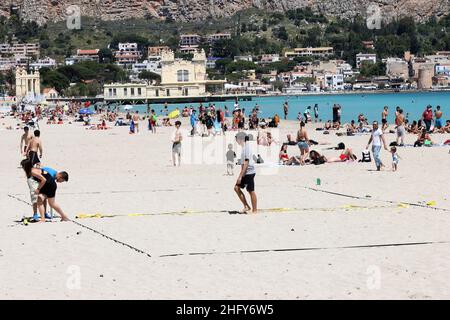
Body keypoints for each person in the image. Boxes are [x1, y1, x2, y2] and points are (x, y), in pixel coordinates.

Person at [234, 132, 257, 213]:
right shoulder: (244, 147)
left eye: (236, 138)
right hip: (245, 172)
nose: (236, 140)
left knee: (251, 191)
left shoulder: (246, 148)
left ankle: (255, 210)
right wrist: (241, 174)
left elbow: (246, 163)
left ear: (240, 139)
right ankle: (246, 206)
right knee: (236, 188)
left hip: (249, 172)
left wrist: (240, 176)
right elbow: (243, 163)